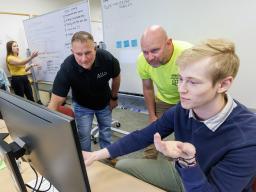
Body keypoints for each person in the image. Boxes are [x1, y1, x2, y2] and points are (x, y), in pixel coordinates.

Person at [83, 39, 256, 192]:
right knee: (122, 166)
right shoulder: (183, 109)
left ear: (223, 84)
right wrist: (96, 155)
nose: (181, 89)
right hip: (182, 171)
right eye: (181, 79)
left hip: (204, 183)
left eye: (193, 82)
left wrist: (188, 162)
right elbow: (142, 137)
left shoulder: (248, 137)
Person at [48, 31, 121, 151]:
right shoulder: (67, 67)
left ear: (95, 48)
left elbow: (116, 76)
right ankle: (87, 161)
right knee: (84, 135)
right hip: (82, 106)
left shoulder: (107, 59)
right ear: (72, 52)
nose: (84, 59)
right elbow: (55, 102)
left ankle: (108, 156)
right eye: (79, 54)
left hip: (104, 103)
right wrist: (49, 128)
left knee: (106, 130)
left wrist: (114, 97)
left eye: (88, 53)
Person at [137, 25, 192, 158]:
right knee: (153, 132)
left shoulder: (189, 54)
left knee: (186, 138)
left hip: (190, 100)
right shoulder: (142, 61)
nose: (149, 57)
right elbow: (148, 88)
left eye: (155, 50)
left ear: (168, 43)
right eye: (145, 52)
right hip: (164, 100)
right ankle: (148, 161)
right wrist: (151, 115)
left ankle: (180, 166)